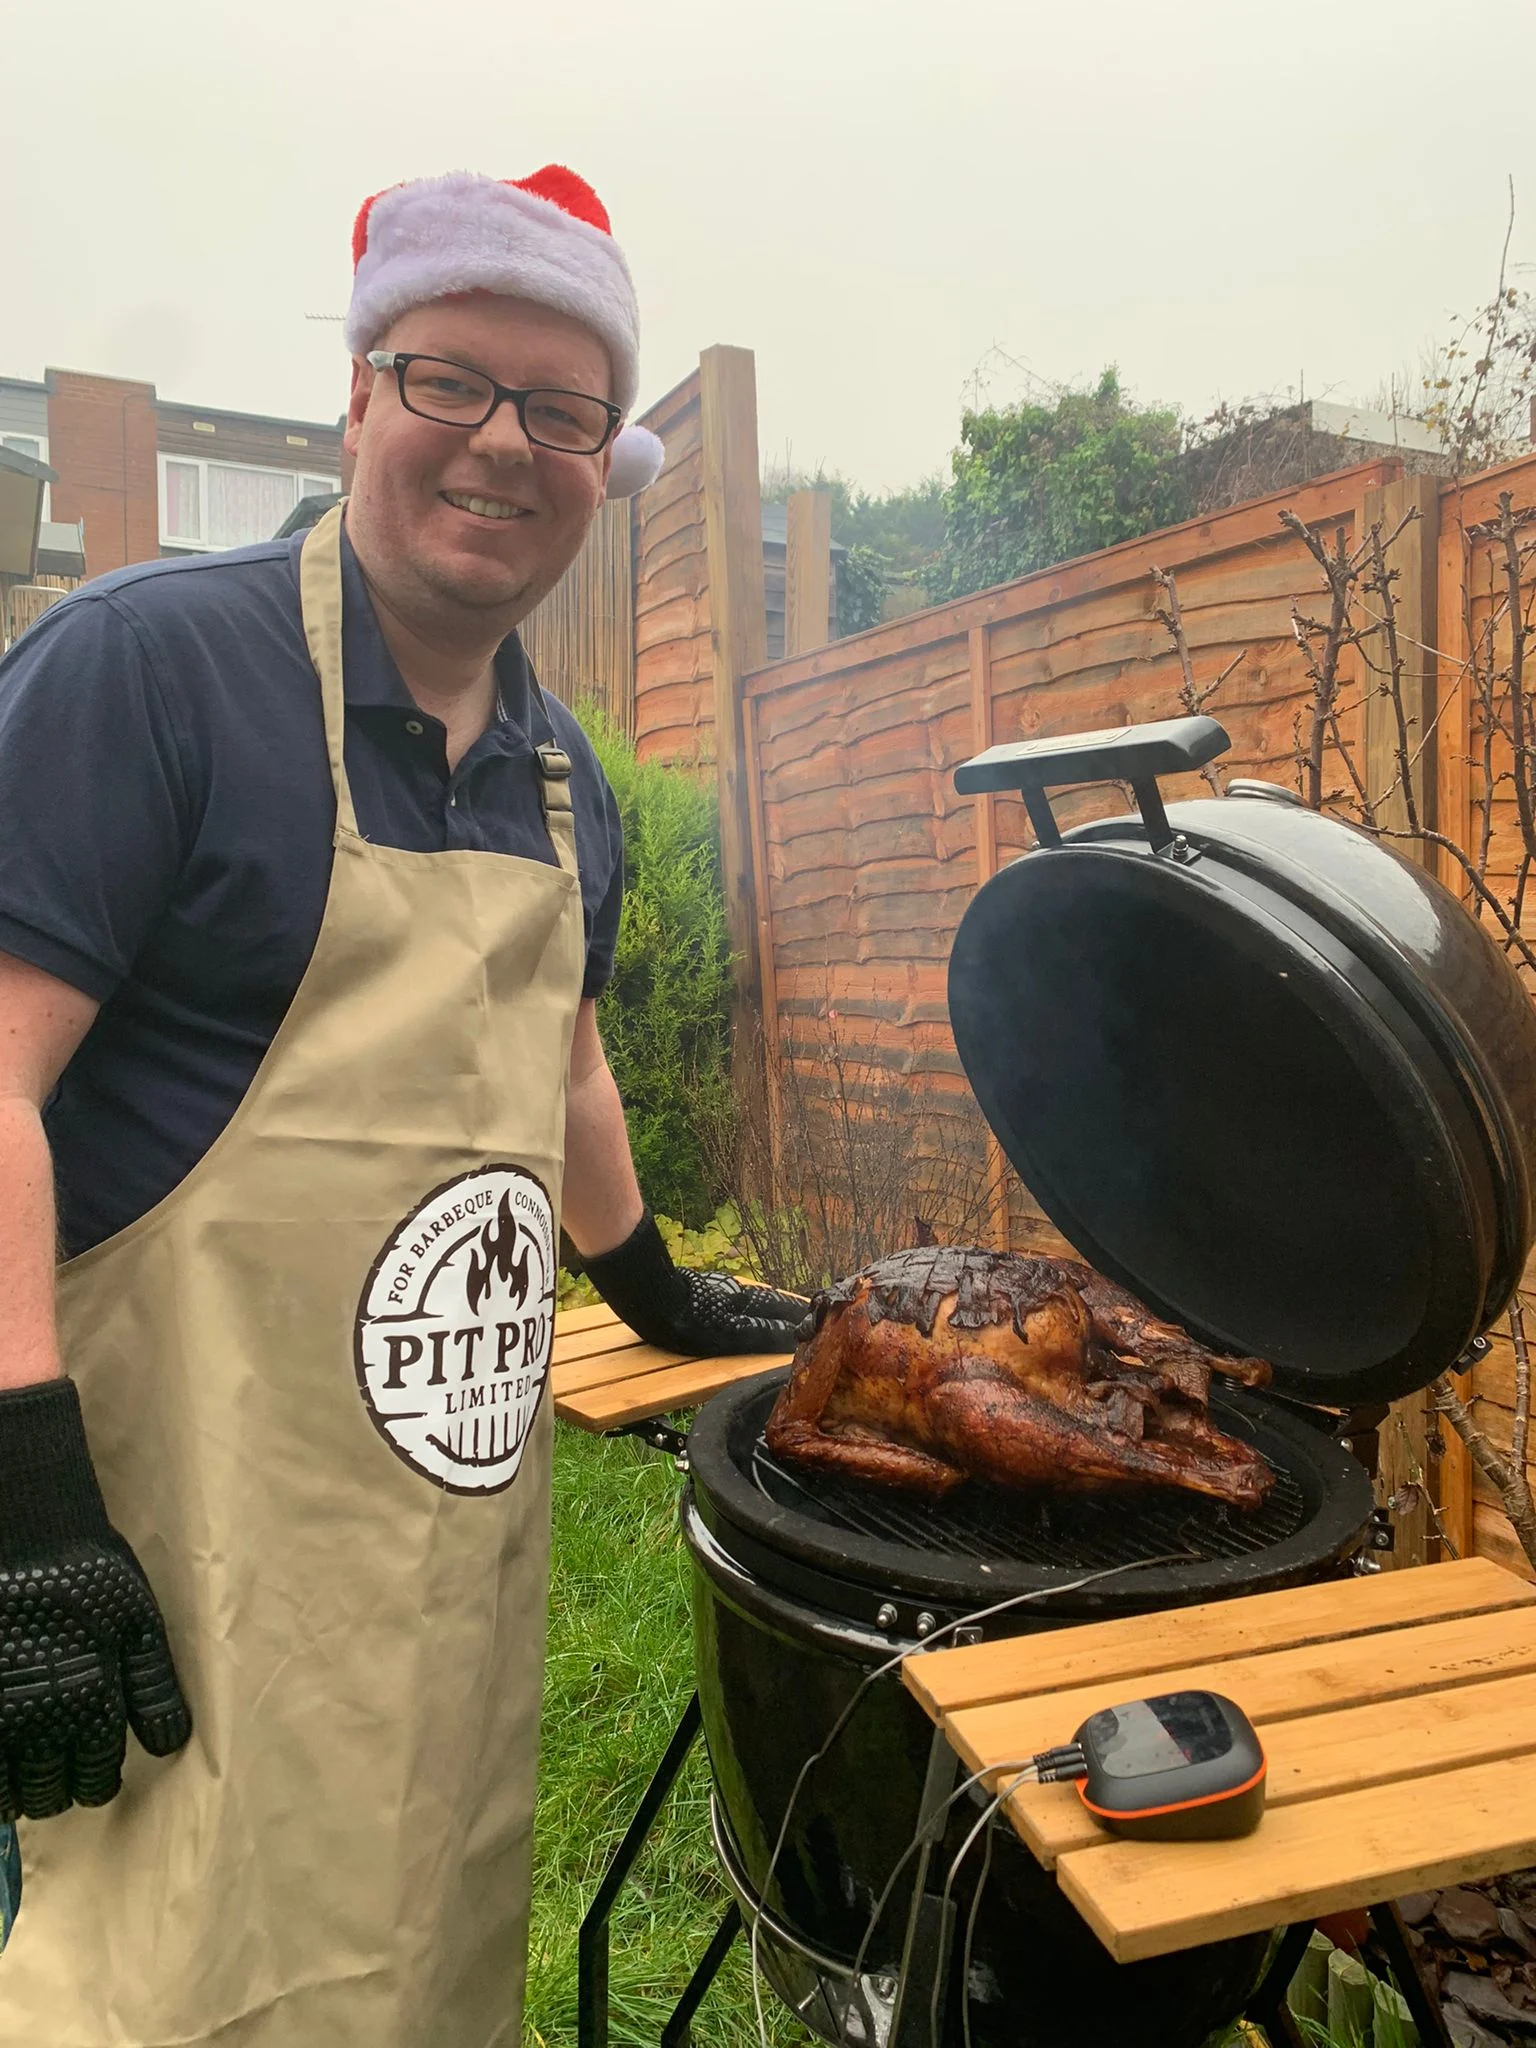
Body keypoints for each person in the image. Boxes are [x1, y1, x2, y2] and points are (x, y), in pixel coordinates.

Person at [0, 164, 803, 2047]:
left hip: (437, 1547)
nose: (502, 445)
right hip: (159, 1539)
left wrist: (655, 1287)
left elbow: (569, 1051)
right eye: (453, 382)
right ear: (360, 393)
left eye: (562, 410)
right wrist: (20, 1490)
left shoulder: (557, 776)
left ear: (605, 466)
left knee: (420, 1945)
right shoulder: (153, 675)